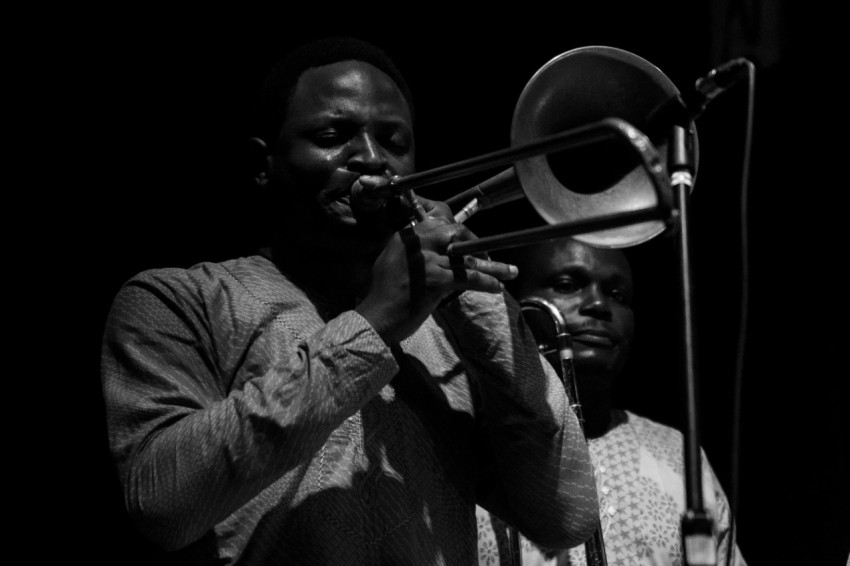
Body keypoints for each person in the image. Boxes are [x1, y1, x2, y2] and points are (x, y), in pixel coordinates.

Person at [100, 36, 600, 565]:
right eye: (333, 135)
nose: (371, 159)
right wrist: (375, 322)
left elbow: (566, 517)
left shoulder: (452, 332)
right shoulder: (176, 300)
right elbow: (161, 505)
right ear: (262, 163)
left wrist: (479, 307)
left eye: (394, 140)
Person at [476, 236, 745, 566]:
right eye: (567, 284)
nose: (598, 305)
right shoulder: (468, 445)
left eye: (617, 295)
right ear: (514, 302)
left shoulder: (678, 455)